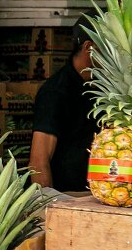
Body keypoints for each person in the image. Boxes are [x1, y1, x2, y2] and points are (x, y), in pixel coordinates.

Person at [29, 15, 100, 191]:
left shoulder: (105, 89)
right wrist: (49, 208)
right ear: (89, 48)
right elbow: (38, 161)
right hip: (67, 198)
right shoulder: (56, 92)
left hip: (101, 198)